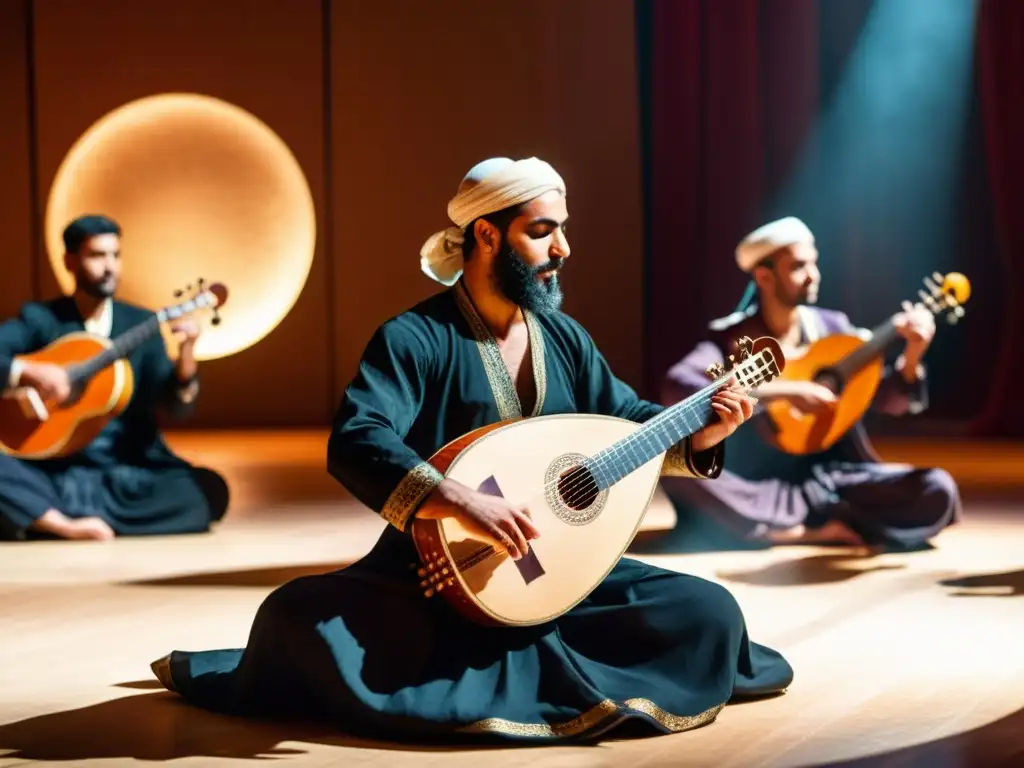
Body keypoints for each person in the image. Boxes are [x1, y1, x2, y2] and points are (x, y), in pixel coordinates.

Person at [150, 158, 793, 743]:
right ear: (487, 235)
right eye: (543, 232)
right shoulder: (415, 337)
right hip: (437, 575)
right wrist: (455, 501)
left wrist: (702, 433)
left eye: (562, 230)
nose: (563, 249)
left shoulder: (564, 337)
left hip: (557, 569)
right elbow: (357, 437)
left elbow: (627, 422)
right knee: (292, 617)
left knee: (711, 613)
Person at [660, 216, 961, 550]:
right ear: (764, 276)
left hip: (832, 477)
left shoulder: (833, 329)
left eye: (814, 264)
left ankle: (812, 521)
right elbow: (679, 385)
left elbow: (892, 401)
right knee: (673, 461)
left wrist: (913, 356)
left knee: (938, 488)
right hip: (758, 483)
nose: (813, 275)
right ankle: (803, 530)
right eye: (799, 267)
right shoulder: (731, 338)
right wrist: (785, 392)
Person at [0, 214, 229, 541]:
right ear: (70, 261)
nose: (109, 267)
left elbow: (176, 409)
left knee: (208, 492)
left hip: (122, 472)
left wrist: (187, 356)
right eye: (97, 256)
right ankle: (61, 524)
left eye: (115, 255)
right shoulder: (42, 319)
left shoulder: (141, 324)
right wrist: (31, 372)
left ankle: (37, 513)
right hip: (54, 468)